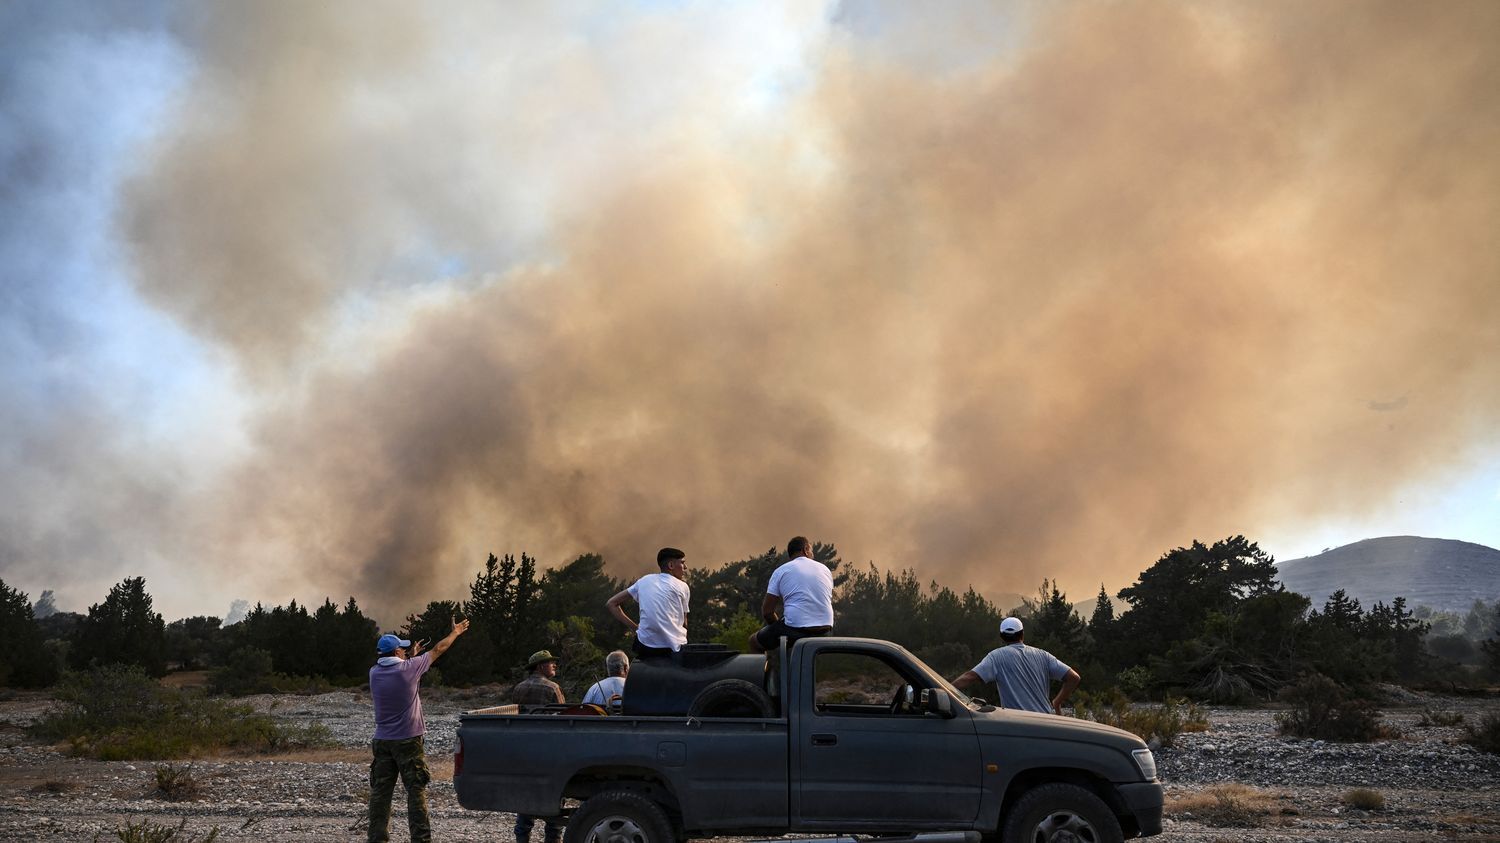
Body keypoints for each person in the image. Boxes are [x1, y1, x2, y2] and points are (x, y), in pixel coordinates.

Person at [368, 617, 469, 843]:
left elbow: (399, 664)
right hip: (408, 741)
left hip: (382, 740)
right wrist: (455, 633)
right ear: (396, 652)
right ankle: (421, 840)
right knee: (416, 792)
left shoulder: (374, 673)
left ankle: (376, 838)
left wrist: (410, 655)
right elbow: (438, 649)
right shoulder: (409, 669)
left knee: (380, 794)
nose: (406, 652)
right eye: (402, 649)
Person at [952, 616, 1081, 714]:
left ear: (1002, 637)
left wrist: (943, 690)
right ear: (1022, 634)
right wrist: (1057, 702)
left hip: (1018, 725)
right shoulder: (1043, 655)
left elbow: (969, 677)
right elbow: (1074, 678)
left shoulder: (996, 657)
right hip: (1046, 723)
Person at [512, 650, 566, 843]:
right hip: (549, 752)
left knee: (525, 803)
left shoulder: (519, 688)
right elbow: (564, 721)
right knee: (554, 802)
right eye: (551, 663)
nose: (554, 665)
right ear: (541, 666)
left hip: (525, 751)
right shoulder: (552, 688)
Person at [749, 536, 834, 654]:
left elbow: (767, 612)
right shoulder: (825, 569)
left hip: (795, 629)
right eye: (811, 550)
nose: (812, 554)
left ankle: (765, 672)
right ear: (805, 549)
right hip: (826, 628)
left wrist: (777, 628)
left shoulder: (781, 571)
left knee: (754, 641)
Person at [606, 547, 690, 659]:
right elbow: (684, 623)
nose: (685, 567)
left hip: (646, 646)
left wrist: (635, 628)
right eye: (682, 563)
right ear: (671, 566)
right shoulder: (683, 586)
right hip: (674, 648)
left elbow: (611, 603)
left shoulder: (644, 580)